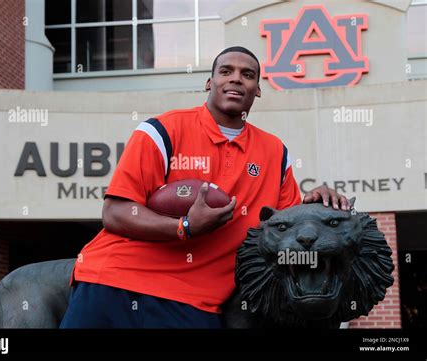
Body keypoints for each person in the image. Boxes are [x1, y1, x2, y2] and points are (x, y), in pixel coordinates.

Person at [59, 46, 350, 328]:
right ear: (209, 83)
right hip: (113, 282)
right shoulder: (161, 130)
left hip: (195, 302)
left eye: (247, 75)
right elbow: (115, 212)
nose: (236, 78)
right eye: (226, 71)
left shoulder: (276, 153)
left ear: (257, 89)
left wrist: (317, 205)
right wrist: (184, 226)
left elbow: (285, 234)